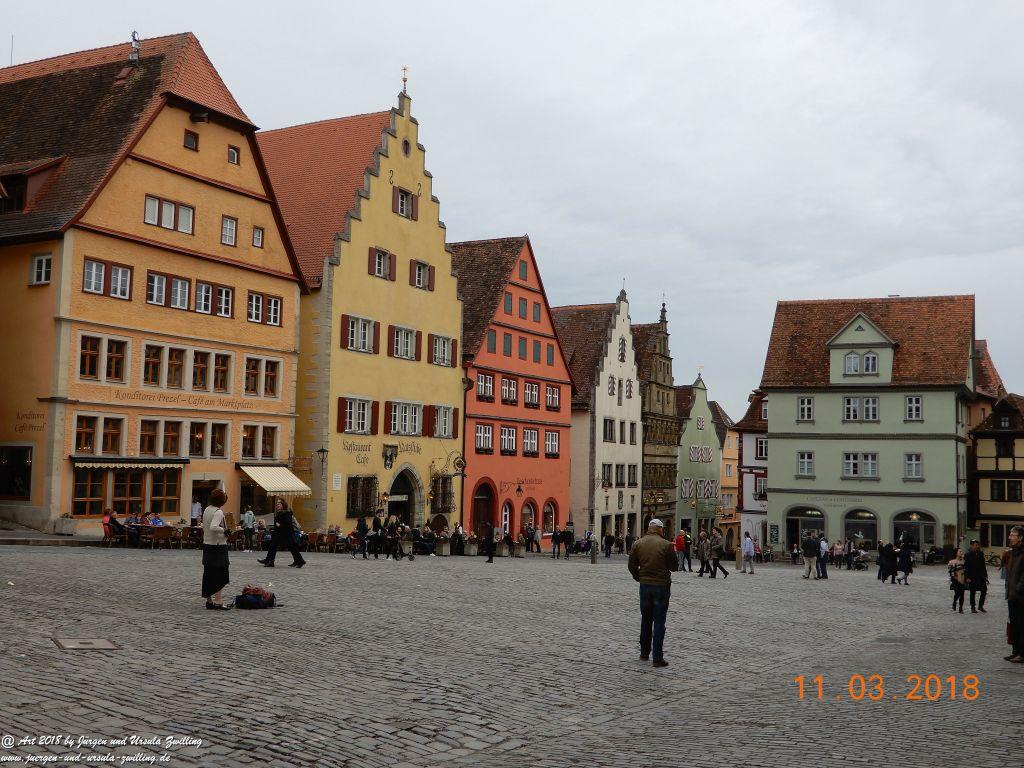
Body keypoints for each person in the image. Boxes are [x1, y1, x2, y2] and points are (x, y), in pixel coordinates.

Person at [627, 518, 678, 668]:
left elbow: (631, 566)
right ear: (660, 529)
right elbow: (674, 566)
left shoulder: (638, 543)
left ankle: (644, 653)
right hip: (661, 586)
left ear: (649, 528)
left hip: (645, 586)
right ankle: (657, 657)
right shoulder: (666, 545)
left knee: (646, 619)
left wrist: (639, 577)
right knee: (659, 621)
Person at [201, 489, 232, 610]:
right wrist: (225, 530)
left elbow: (206, 527)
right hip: (218, 546)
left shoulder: (207, 509)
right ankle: (218, 601)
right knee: (221, 574)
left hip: (207, 544)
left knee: (208, 573)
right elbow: (214, 527)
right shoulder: (218, 512)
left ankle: (209, 601)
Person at [258, 498, 306, 568]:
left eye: (279, 504)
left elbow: (288, 524)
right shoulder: (280, 513)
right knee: (273, 546)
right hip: (279, 534)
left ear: (283, 505)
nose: (277, 505)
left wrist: (280, 525)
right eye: (277, 504)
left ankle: (300, 561)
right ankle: (269, 560)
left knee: (292, 548)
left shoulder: (286, 513)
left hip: (286, 534)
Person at [1003, 525, 1024, 663]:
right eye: (1010, 534)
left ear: (1020, 538)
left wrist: (1018, 589)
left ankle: (1022, 654)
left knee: (1022, 625)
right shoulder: (1013, 552)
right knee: (1014, 625)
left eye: (1012, 535)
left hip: (1021, 596)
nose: (1010, 537)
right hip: (1012, 595)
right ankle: (1016, 651)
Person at [963, 539, 988, 613]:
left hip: (981, 576)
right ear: (971, 545)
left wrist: (985, 575)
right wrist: (967, 577)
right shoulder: (967, 555)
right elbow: (966, 567)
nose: (977, 546)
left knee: (984, 590)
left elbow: (983, 565)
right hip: (972, 576)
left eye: (978, 545)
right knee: (972, 592)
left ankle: (980, 606)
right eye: (975, 545)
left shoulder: (980, 553)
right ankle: (973, 607)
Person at [948, 549, 966, 613]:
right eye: (960, 551)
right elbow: (950, 571)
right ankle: (954, 602)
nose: (961, 553)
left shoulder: (964, 561)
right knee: (957, 593)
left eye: (962, 551)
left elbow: (966, 570)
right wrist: (954, 577)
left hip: (962, 579)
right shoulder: (952, 562)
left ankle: (961, 608)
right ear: (956, 553)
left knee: (962, 594)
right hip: (955, 580)